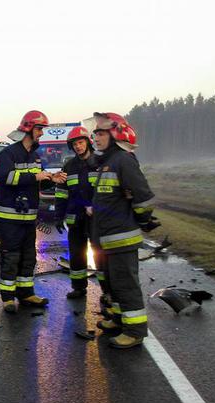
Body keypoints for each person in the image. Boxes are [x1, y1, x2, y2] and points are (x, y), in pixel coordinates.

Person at [90, 113, 159, 348]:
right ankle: (119, 319)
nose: (95, 137)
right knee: (113, 283)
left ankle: (134, 330)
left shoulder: (124, 160)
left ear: (115, 134)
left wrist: (144, 220)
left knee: (126, 285)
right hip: (108, 237)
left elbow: (142, 196)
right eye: (95, 133)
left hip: (121, 237)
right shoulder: (108, 162)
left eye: (100, 133)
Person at [0, 110, 67, 313]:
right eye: (40, 129)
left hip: (29, 216)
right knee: (11, 256)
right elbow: (6, 178)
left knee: (28, 256)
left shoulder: (35, 157)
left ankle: (26, 293)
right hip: (9, 216)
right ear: (28, 128)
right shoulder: (7, 154)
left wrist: (49, 179)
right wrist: (35, 177)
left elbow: (36, 186)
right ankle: (8, 297)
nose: (42, 134)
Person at [54, 126, 110, 300]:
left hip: (96, 218)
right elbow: (62, 193)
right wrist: (58, 215)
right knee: (77, 255)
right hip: (75, 218)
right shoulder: (69, 165)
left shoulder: (101, 163)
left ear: (88, 142)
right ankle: (78, 288)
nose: (78, 146)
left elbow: (107, 191)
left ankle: (107, 292)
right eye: (75, 144)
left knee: (101, 256)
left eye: (80, 142)